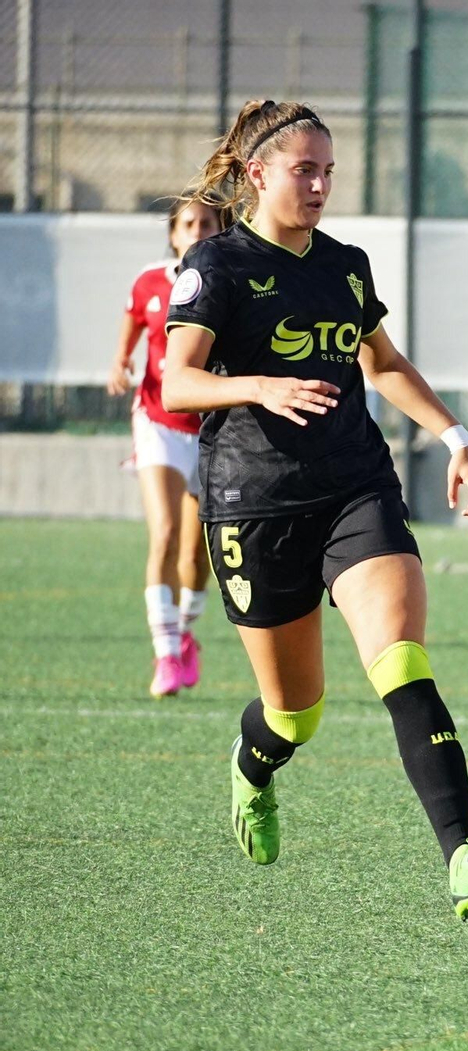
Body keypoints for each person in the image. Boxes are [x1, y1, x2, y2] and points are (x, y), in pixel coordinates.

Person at [163, 98, 468, 921]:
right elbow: (178, 382)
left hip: (355, 485)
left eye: (329, 170)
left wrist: (455, 433)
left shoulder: (346, 264)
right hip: (252, 506)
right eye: (305, 170)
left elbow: (384, 362)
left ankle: (463, 855)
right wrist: (258, 383)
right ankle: (254, 766)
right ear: (257, 175)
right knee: (296, 714)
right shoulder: (215, 267)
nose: (322, 184)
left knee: (401, 658)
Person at [109, 198, 224, 697]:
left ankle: (185, 633)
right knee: (165, 533)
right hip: (156, 420)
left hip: (210, 429)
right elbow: (135, 318)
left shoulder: (230, 280)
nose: (198, 231)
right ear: (174, 235)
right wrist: (120, 360)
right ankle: (165, 655)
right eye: (189, 224)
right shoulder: (150, 282)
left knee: (196, 556)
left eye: (207, 223)